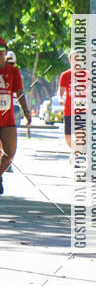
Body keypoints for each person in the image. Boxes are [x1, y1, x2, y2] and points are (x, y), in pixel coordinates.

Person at [0, 37, 32, 194]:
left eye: (1, 50)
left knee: (10, 153)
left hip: (7, 119)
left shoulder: (13, 71)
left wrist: (26, 112)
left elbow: (19, 93)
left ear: (5, 51)